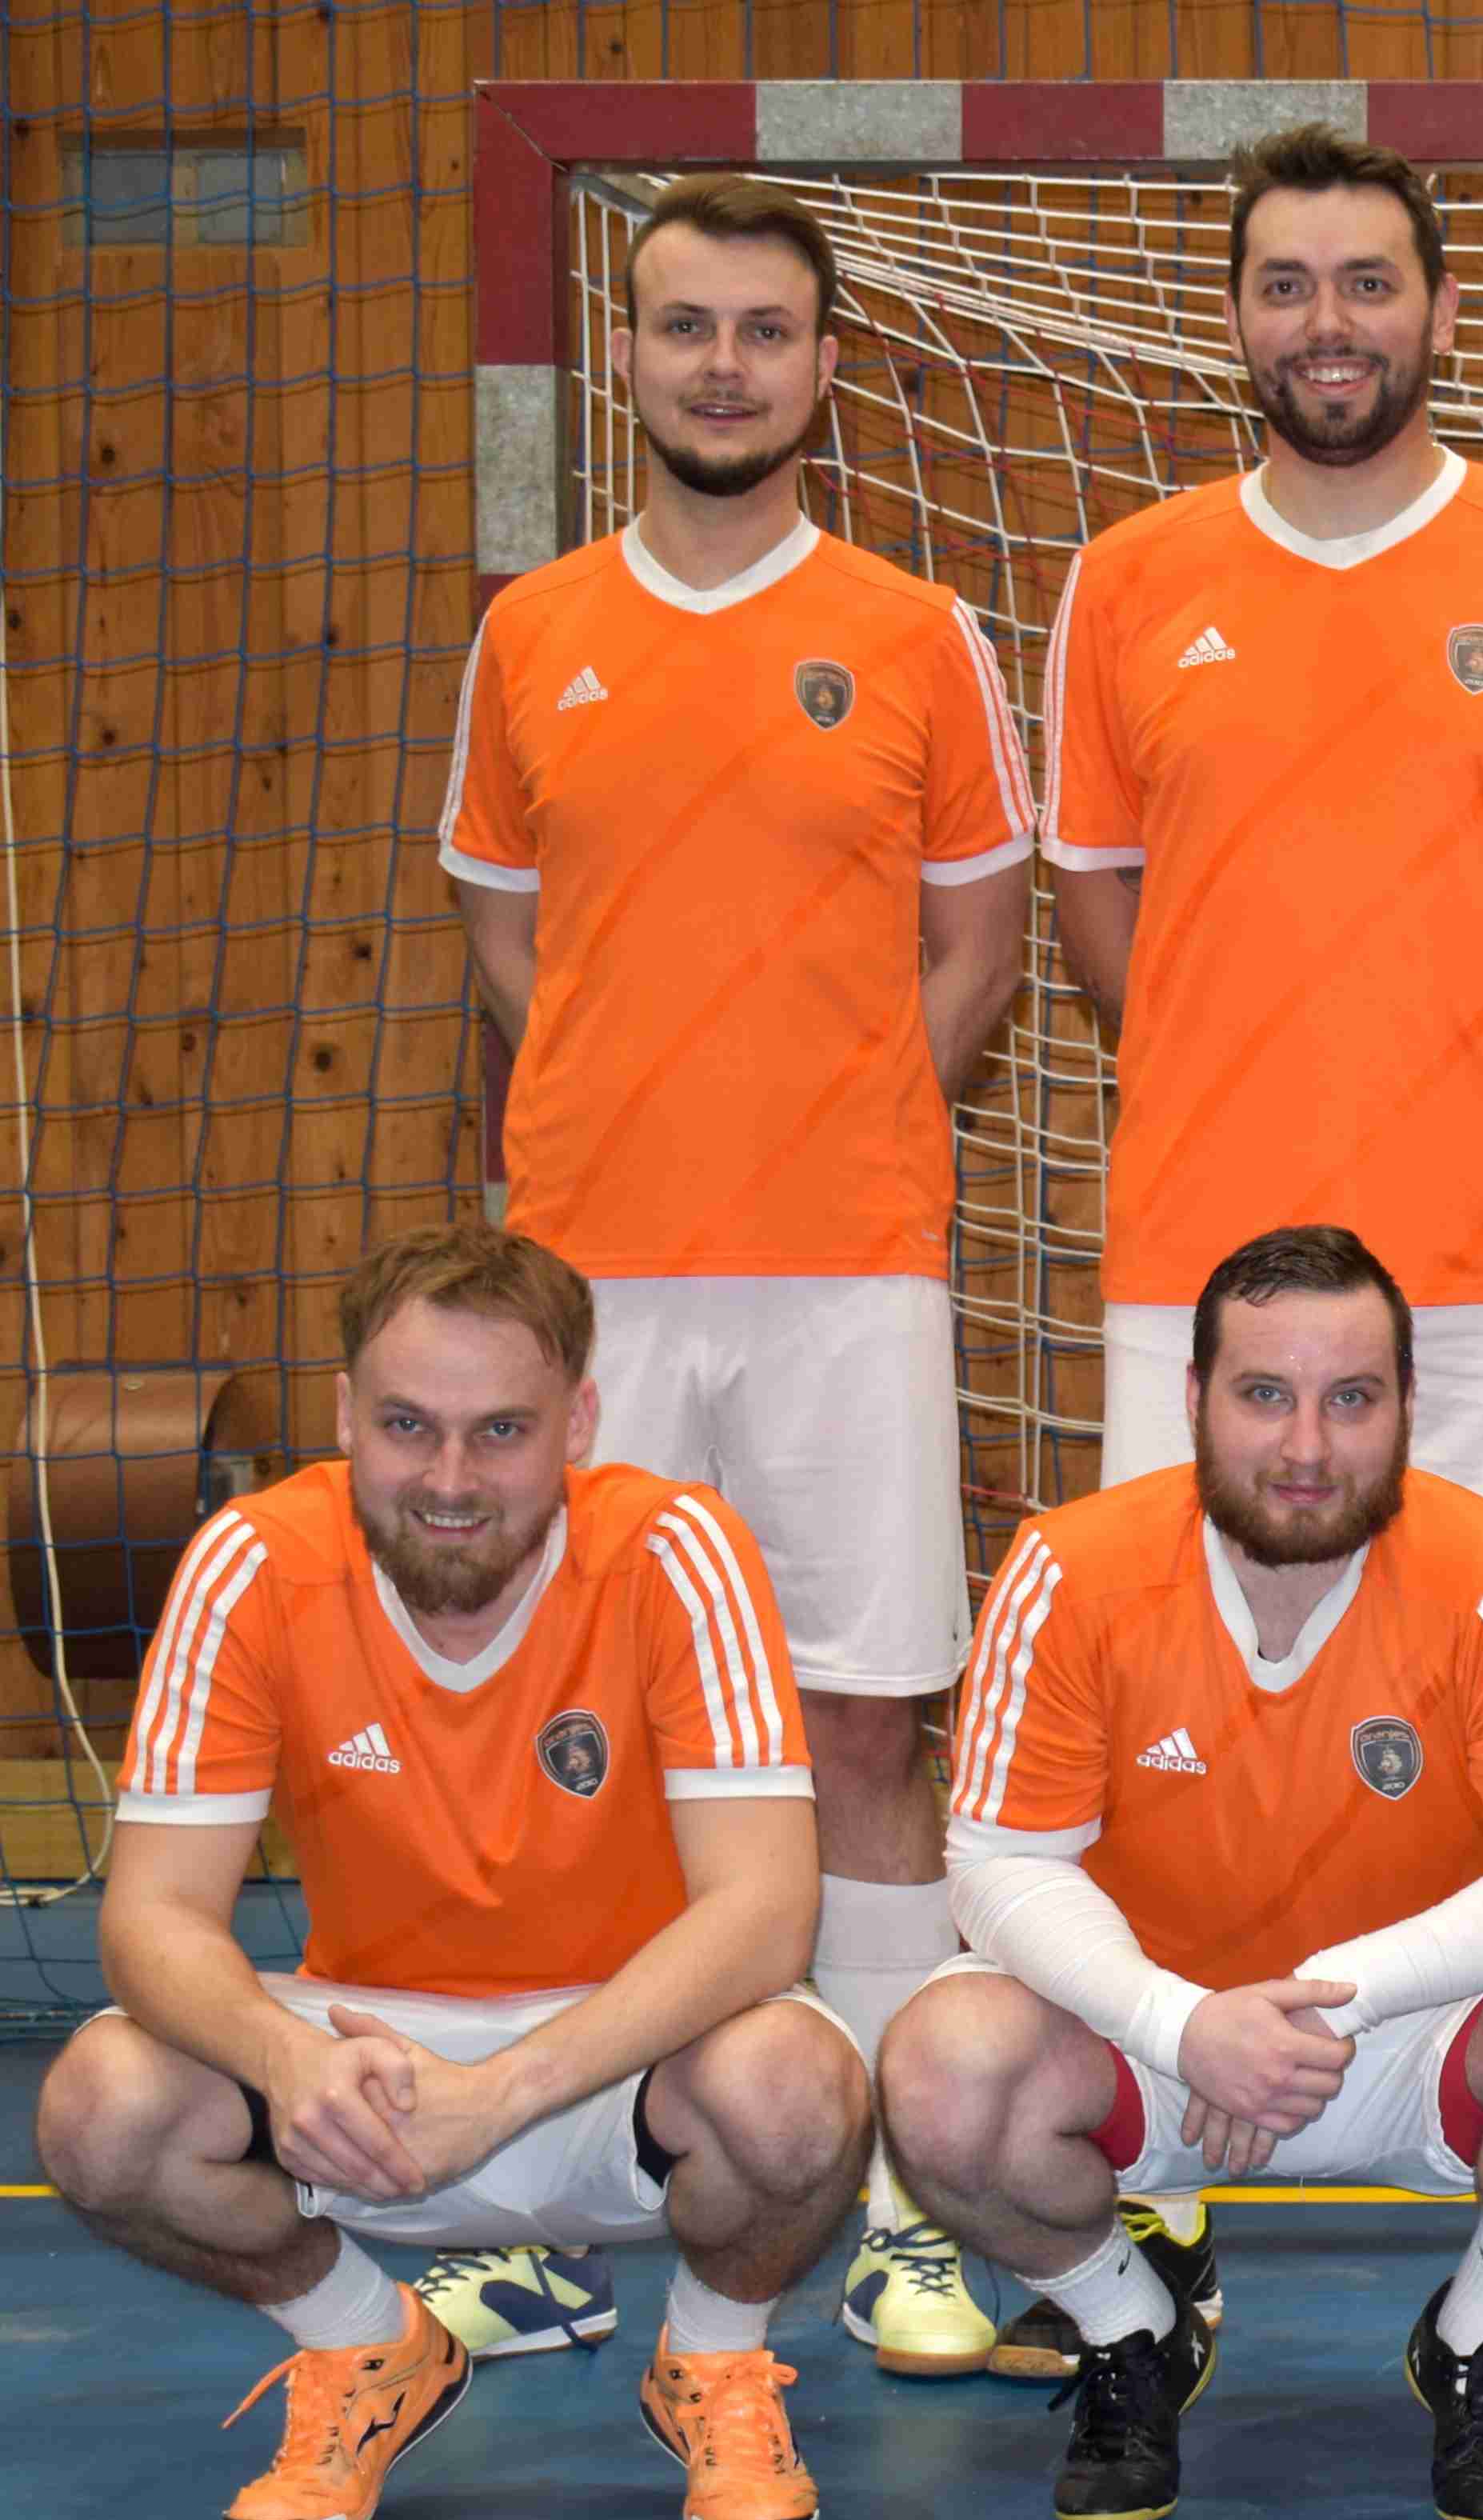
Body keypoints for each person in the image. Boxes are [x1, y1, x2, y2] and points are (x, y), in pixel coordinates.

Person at [1033, 126, 1483, 2374]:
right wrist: (1252, 1083)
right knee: (1160, 1711)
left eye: (1369, 282)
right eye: (1288, 284)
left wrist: (1465, 1076)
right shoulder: (1129, 578)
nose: (1331, 324)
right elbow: (1101, 912)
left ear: (1437, 309)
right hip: (1199, 1268)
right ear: (1239, 316)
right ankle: (1159, 2178)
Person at [441, 174, 1027, 2373]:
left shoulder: (916, 630)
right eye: (684, 326)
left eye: (764, 331)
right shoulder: (532, 633)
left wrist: (841, 1111)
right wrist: (625, 1105)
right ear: (627, 356)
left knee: (862, 1719)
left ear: (823, 365)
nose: (722, 366)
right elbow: (507, 924)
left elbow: (977, 939)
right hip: (589, 1287)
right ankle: (542, 2189)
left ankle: (893, 2201)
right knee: (582, 1732)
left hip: (849, 1269)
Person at [35, 1222, 867, 2520]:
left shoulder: (675, 1550)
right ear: (344, 1413)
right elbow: (148, 1919)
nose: (449, 1478)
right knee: (100, 2107)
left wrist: (508, 2090)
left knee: (801, 2092)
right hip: (364, 2077)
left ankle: (712, 2358)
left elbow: (767, 1909)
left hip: (623, 2060)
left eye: (502, 1431)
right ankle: (366, 2344)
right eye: (408, 1425)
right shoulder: (254, 1562)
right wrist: (286, 2061)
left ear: (577, 1422)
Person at [876, 1226, 1483, 2520]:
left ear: (1408, 1404)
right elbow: (1000, 1861)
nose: (1307, 1445)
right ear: (1193, 1397)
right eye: (1264, 1394)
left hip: (1416, 2032)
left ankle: (1478, 2335)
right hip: (1157, 2041)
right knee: (941, 2071)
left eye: (1351, 1398)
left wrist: (1334, 1995)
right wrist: (1181, 2021)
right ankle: (1131, 2330)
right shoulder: (1070, 1568)